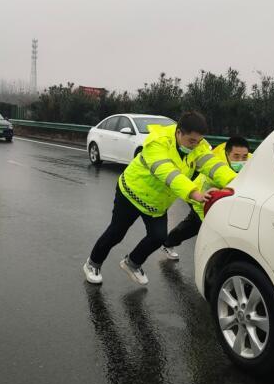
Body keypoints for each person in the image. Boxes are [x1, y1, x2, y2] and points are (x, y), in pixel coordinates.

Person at [83, 111, 237, 286]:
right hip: (132, 193)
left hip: (156, 202)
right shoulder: (157, 143)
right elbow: (169, 174)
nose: (195, 145)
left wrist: (238, 182)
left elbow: (214, 166)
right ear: (179, 132)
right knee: (116, 233)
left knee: (158, 237)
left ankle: (132, 263)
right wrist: (194, 193)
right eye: (191, 141)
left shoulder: (198, 146)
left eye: (198, 141)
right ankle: (92, 264)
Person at [160, 136, 251, 261]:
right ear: (227, 154)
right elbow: (206, 196)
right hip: (201, 197)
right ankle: (168, 243)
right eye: (236, 156)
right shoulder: (216, 167)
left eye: (244, 157)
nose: (241, 160)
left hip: (221, 200)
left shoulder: (251, 160)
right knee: (198, 226)